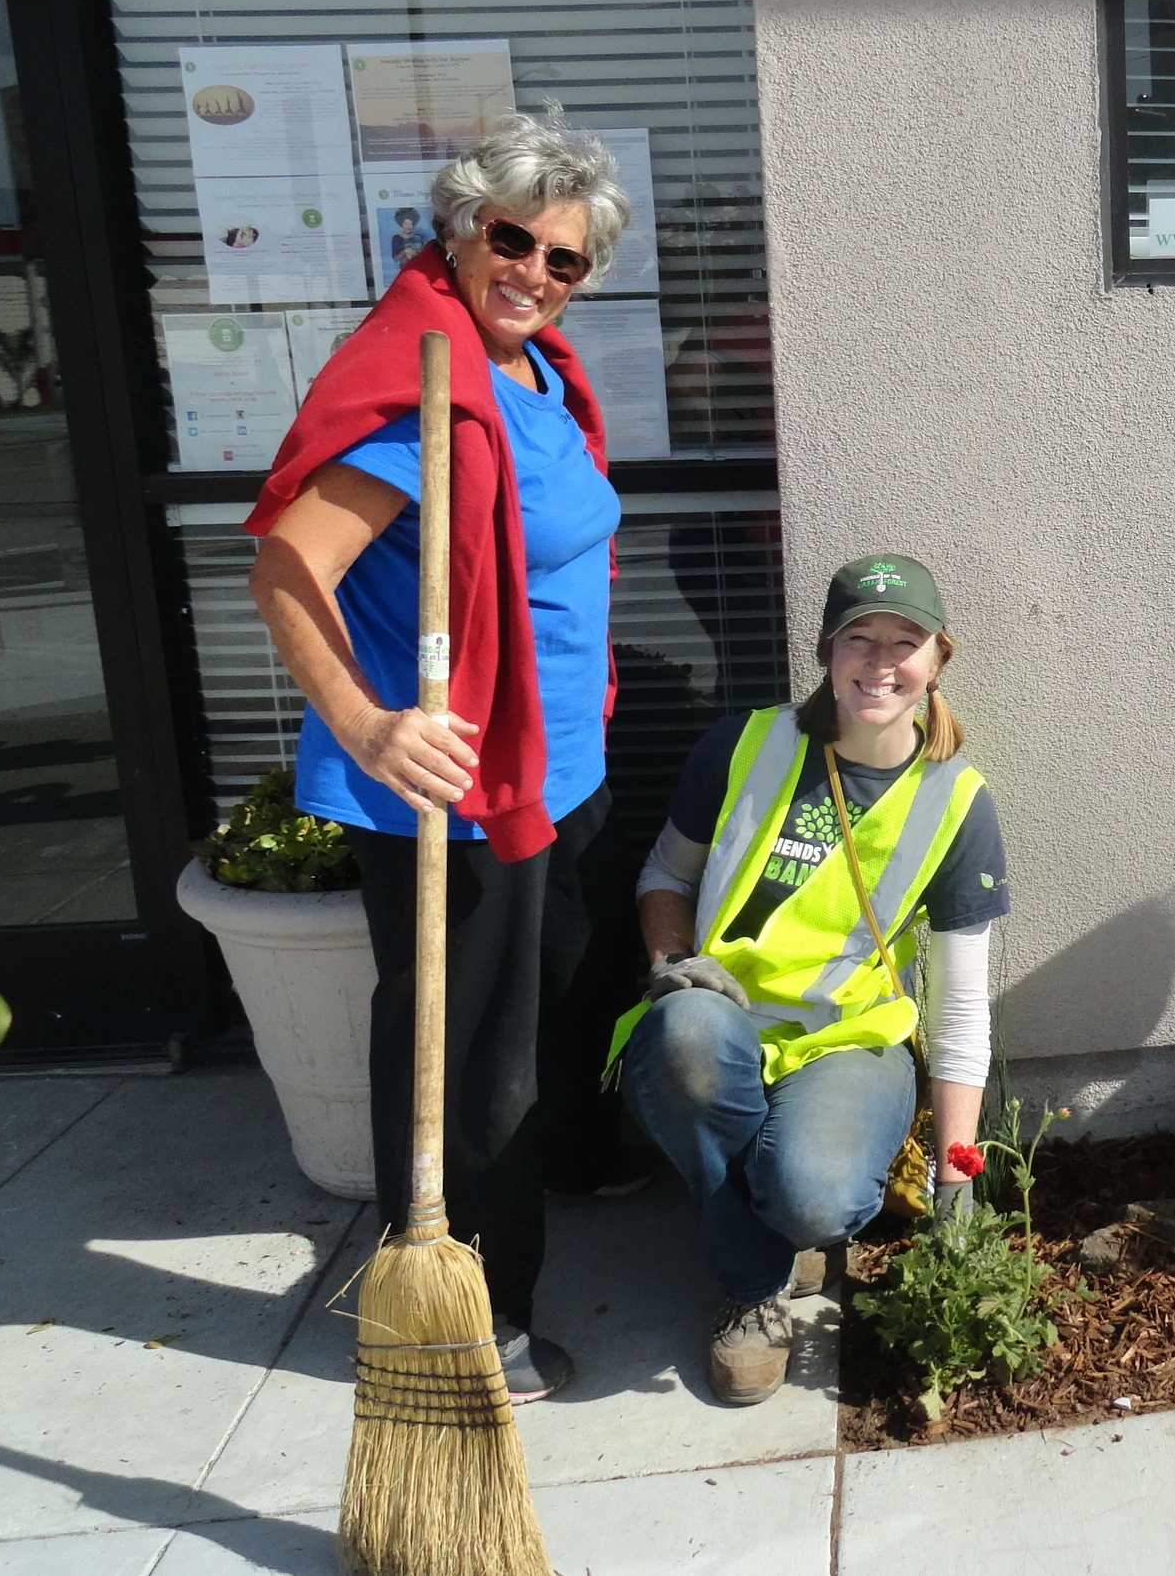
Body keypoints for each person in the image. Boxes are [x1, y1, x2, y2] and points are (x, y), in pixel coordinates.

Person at [247, 110, 631, 1403]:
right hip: (453, 790)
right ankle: (480, 1306)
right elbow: (287, 567)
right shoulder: (415, 381)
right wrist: (369, 724)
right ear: (460, 228)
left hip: (553, 766)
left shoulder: (533, 372)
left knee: (564, 984)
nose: (531, 268)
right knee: (471, 1057)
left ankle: (565, 1159)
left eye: (561, 256)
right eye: (509, 238)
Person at [605, 554, 1008, 1405]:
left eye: (907, 641)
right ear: (827, 651)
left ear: (938, 659)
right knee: (683, 1036)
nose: (881, 660)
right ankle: (752, 1289)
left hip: (849, 1041)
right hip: (722, 1022)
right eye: (859, 637)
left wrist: (956, 1176)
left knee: (820, 1197)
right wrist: (672, 963)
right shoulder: (742, 746)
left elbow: (962, 1006)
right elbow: (662, 878)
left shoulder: (957, 801)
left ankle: (787, 1216)